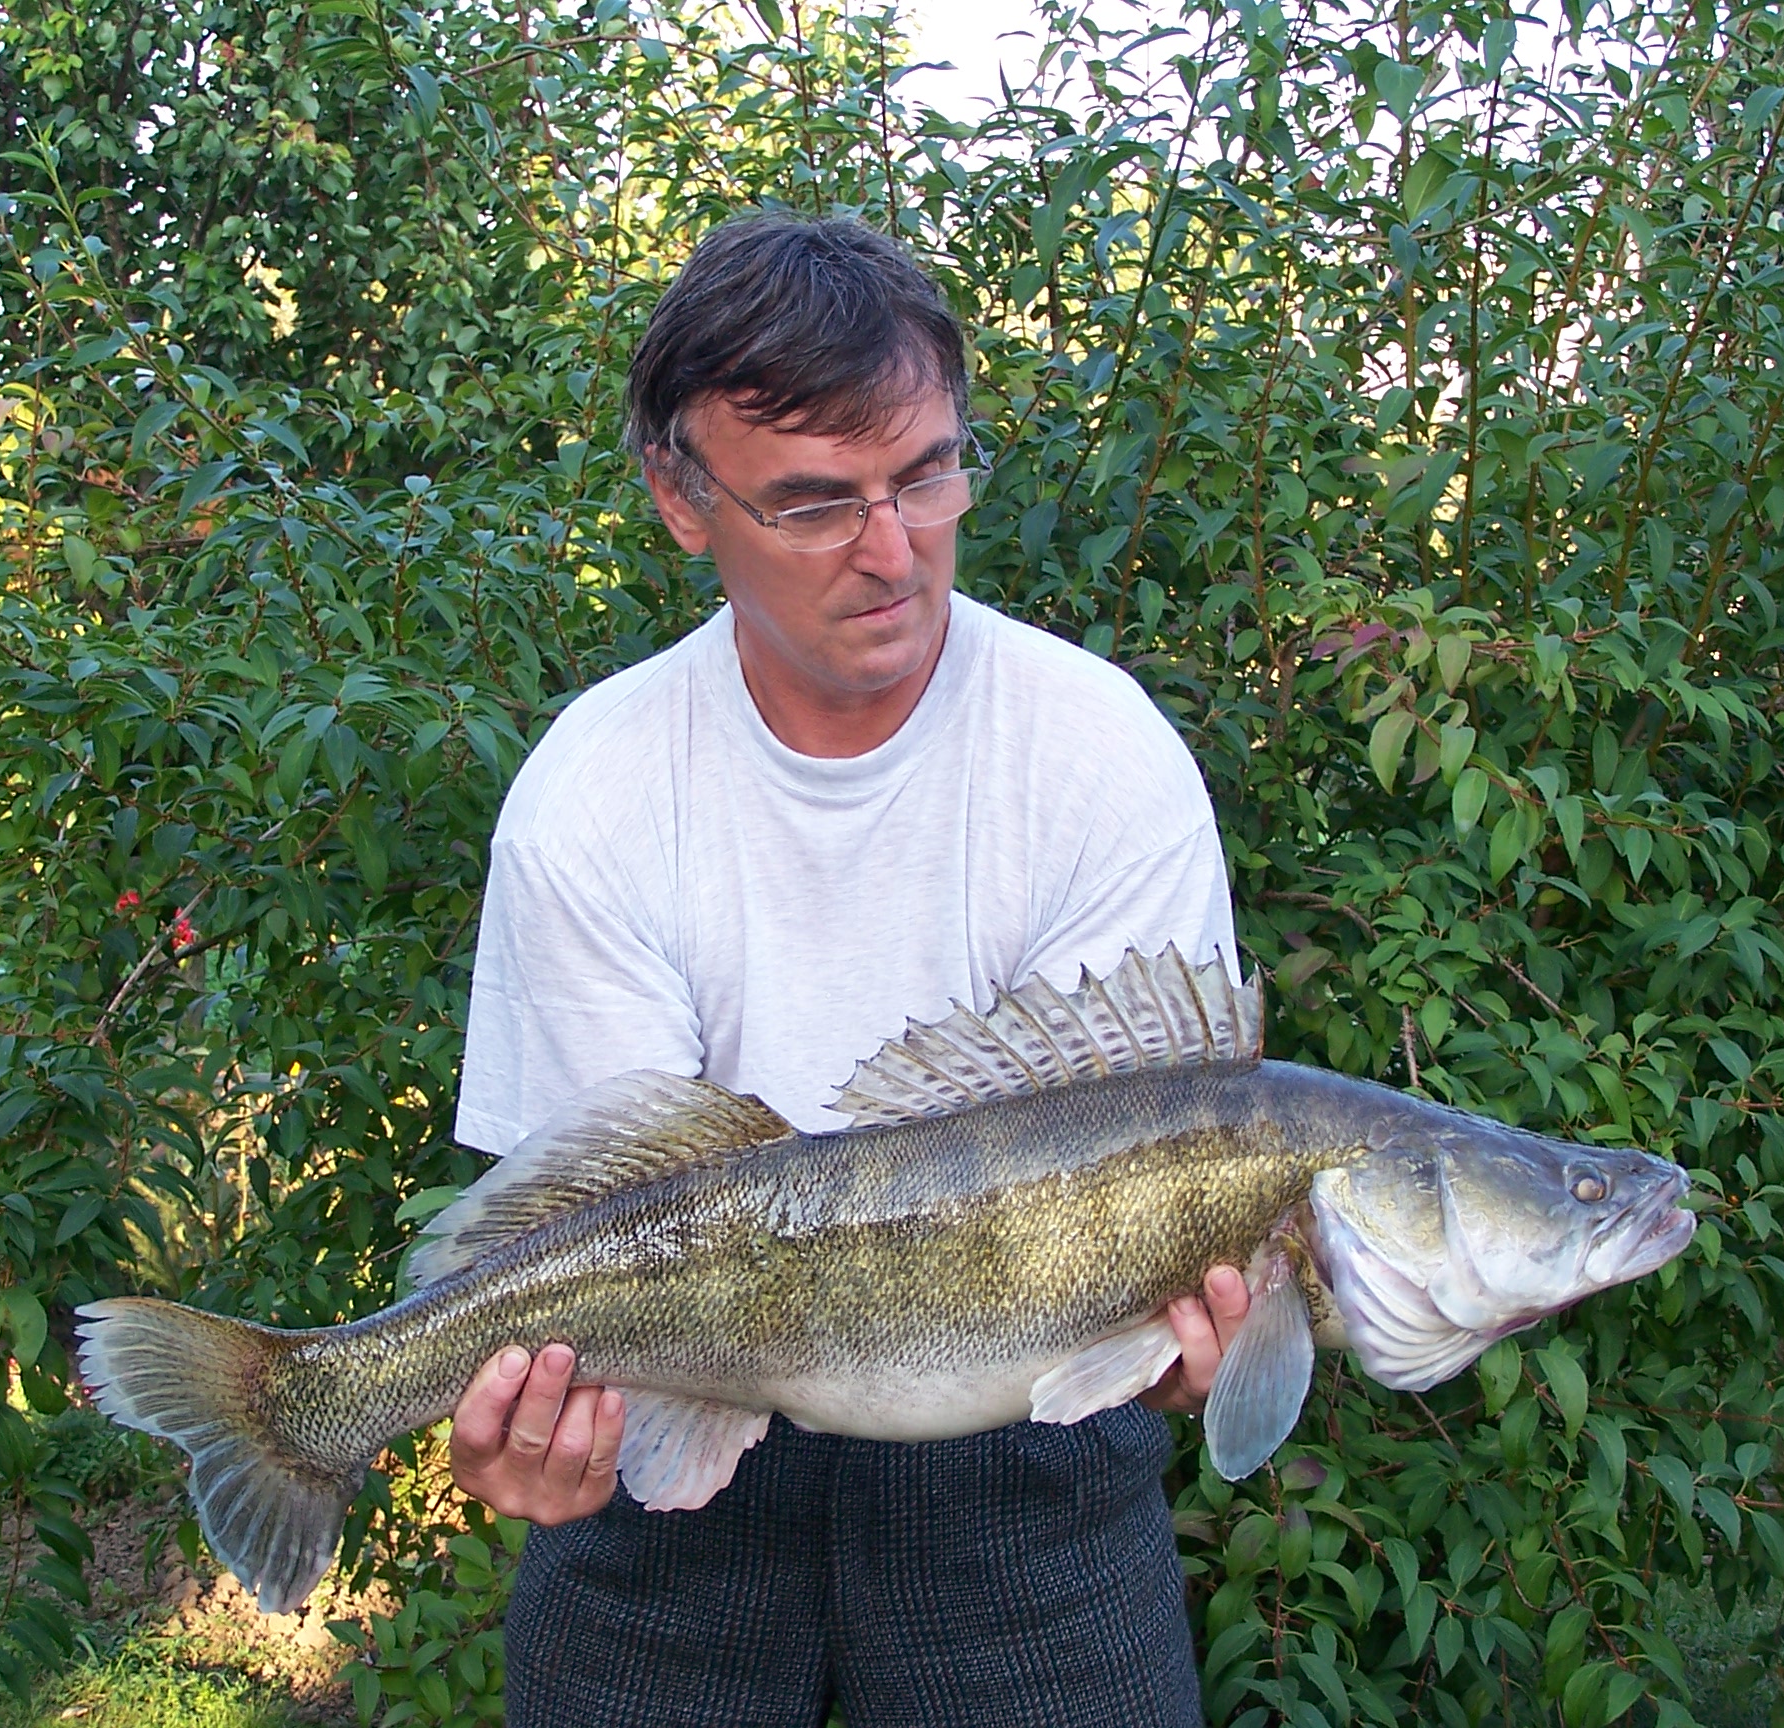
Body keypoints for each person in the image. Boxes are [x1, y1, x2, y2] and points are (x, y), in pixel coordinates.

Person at [447, 212, 1253, 1728]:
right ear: (684, 502)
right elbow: (596, 1211)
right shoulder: (594, 792)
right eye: (815, 504)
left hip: (1027, 1466)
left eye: (926, 476)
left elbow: (1152, 1191)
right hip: (669, 1458)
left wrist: (1190, 1336)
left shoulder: (1098, 756)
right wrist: (523, 1422)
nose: (893, 553)